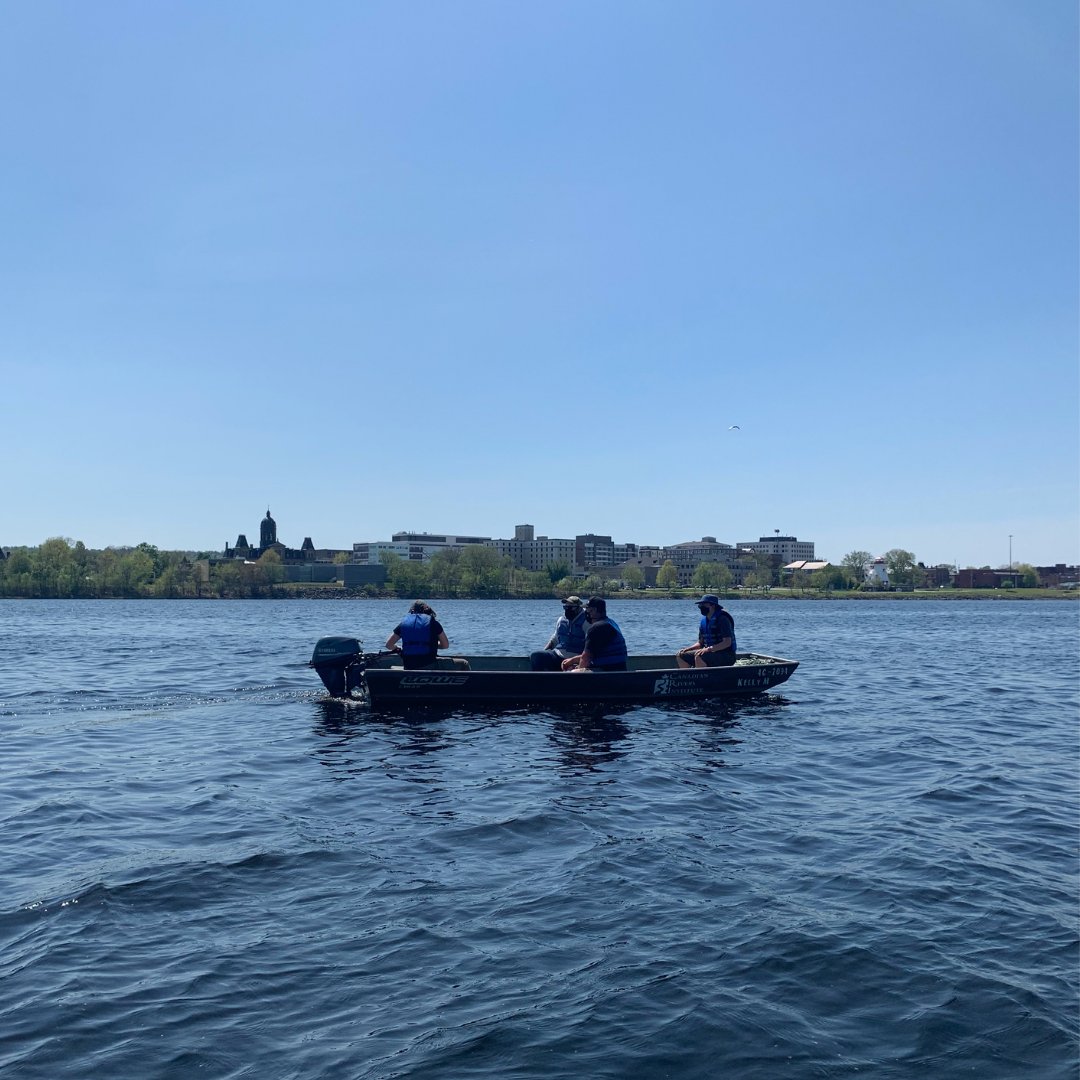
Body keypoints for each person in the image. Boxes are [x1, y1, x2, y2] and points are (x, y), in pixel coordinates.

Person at [561, 596, 628, 672]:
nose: (586, 612)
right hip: (619, 668)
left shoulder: (596, 628)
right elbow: (594, 654)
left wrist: (578, 669)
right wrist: (572, 660)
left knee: (572, 672)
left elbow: (586, 657)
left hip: (607, 670)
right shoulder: (610, 622)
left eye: (587, 609)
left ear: (594, 610)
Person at [530, 595, 590, 671]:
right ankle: (539, 678)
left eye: (570, 607)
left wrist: (578, 661)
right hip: (558, 654)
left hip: (576, 657)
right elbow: (555, 639)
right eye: (565, 607)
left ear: (579, 608)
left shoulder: (587, 621)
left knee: (571, 670)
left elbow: (590, 646)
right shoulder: (561, 620)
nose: (567, 610)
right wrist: (545, 651)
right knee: (536, 656)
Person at [385, 600, 449, 670]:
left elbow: (389, 645)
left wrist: (398, 649)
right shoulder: (434, 623)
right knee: (455, 664)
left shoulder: (403, 624)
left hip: (408, 665)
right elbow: (445, 645)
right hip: (429, 664)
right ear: (427, 610)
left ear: (412, 610)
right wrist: (432, 645)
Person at [677, 594, 736, 668]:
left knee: (699, 656)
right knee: (681, 655)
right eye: (700, 605)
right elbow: (700, 643)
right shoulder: (704, 621)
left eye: (704, 604)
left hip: (727, 655)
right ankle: (688, 675)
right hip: (711, 653)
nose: (701, 607)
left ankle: (702, 675)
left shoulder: (723, 619)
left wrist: (708, 649)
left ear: (713, 606)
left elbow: (727, 643)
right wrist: (688, 649)